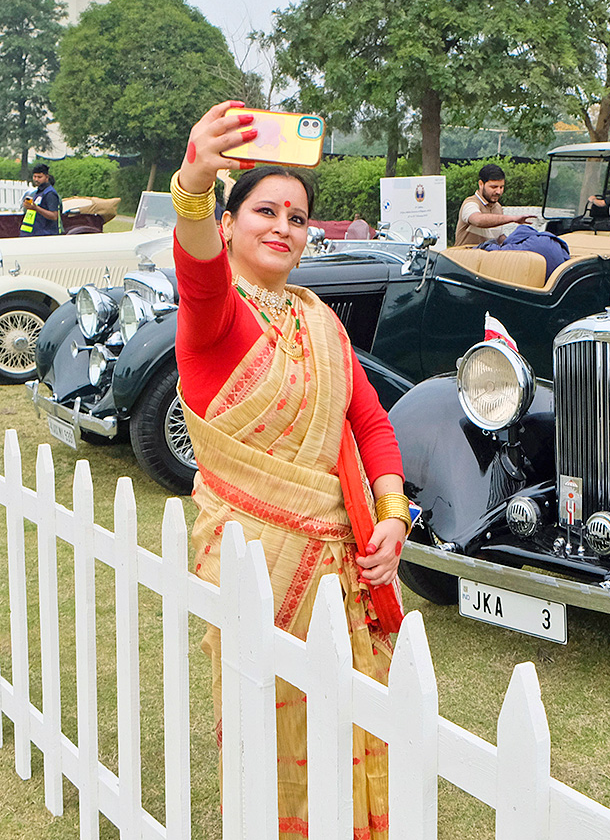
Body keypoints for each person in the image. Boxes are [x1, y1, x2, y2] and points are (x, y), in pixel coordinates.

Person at [172, 101, 407, 840]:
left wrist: (394, 516)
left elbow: (367, 421)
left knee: (347, 724)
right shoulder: (215, 319)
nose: (282, 226)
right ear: (232, 223)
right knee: (267, 731)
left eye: (298, 217)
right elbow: (202, 273)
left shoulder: (318, 319)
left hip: (342, 570)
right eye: (265, 210)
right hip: (255, 565)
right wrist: (193, 186)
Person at [453, 163, 534, 246]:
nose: (498, 192)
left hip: (488, 257)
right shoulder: (470, 203)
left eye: (501, 187)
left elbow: (499, 238)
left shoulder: (498, 207)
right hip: (464, 257)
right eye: (493, 187)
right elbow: (478, 220)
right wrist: (513, 218)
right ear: (481, 184)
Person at [20, 164, 62, 235]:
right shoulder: (39, 192)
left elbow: (54, 216)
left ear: (46, 177)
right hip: (33, 233)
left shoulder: (50, 193)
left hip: (45, 234)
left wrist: (36, 208)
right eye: (34, 176)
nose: (36, 179)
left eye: (39, 177)